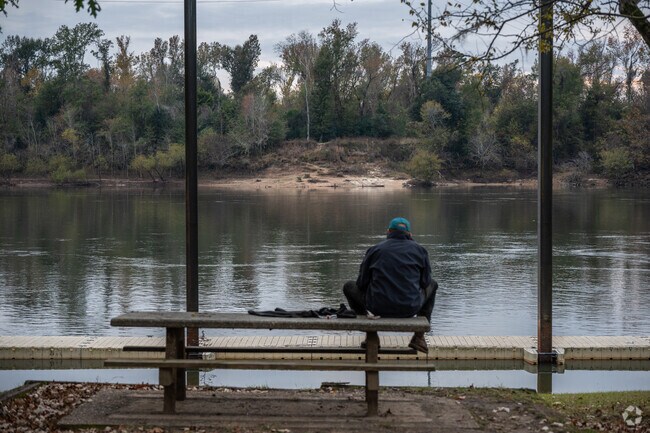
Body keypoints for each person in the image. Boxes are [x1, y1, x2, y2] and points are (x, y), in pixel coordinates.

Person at [343, 217, 438, 353]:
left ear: (388, 232)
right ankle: (419, 336)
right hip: (410, 308)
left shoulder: (375, 250)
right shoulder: (420, 251)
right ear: (410, 234)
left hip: (377, 307)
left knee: (348, 287)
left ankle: (372, 335)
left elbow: (361, 283)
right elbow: (425, 282)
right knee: (433, 285)